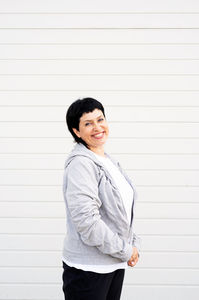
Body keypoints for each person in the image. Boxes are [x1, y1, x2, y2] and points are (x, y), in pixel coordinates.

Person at [62, 98, 141, 300]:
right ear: (76, 132)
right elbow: (87, 222)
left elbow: (121, 211)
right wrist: (125, 250)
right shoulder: (81, 164)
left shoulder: (108, 161)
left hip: (113, 264)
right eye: (88, 123)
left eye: (100, 119)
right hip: (88, 270)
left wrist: (133, 245)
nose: (97, 127)